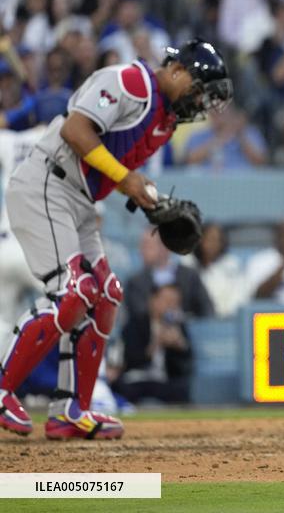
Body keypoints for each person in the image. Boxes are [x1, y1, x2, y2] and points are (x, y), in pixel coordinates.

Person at [0, 40, 231, 439]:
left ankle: (72, 410)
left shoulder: (164, 120)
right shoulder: (130, 82)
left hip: (82, 198)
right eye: (197, 90)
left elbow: (112, 168)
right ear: (176, 71)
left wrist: (148, 201)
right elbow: (76, 130)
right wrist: (128, 180)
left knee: (107, 292)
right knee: (73, 290)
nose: (199, 102)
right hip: (47, 182)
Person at [114, 284, 193, 404]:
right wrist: (155, 344)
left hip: (162, 381)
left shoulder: (177, 326)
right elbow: (130, 359)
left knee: (181, 391)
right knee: (126, 390)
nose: (170, 306)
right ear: (153, 300)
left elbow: (186, 365)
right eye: (167, 301)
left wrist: (179, 346)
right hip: (137, 379)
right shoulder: (136, 324)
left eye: (175, 303)